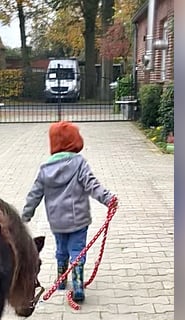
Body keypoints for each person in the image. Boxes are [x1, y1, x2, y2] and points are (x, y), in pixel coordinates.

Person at [21, 121, 118, 302]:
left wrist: (25, 216)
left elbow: (34, 194)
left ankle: (61, 279)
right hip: (79, 219)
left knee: (61, 250)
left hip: (57, 221)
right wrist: (108, 198)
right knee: (77, 250)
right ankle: (78, 284)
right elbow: (92, 184)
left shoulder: (45, 169)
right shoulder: (79, 163)